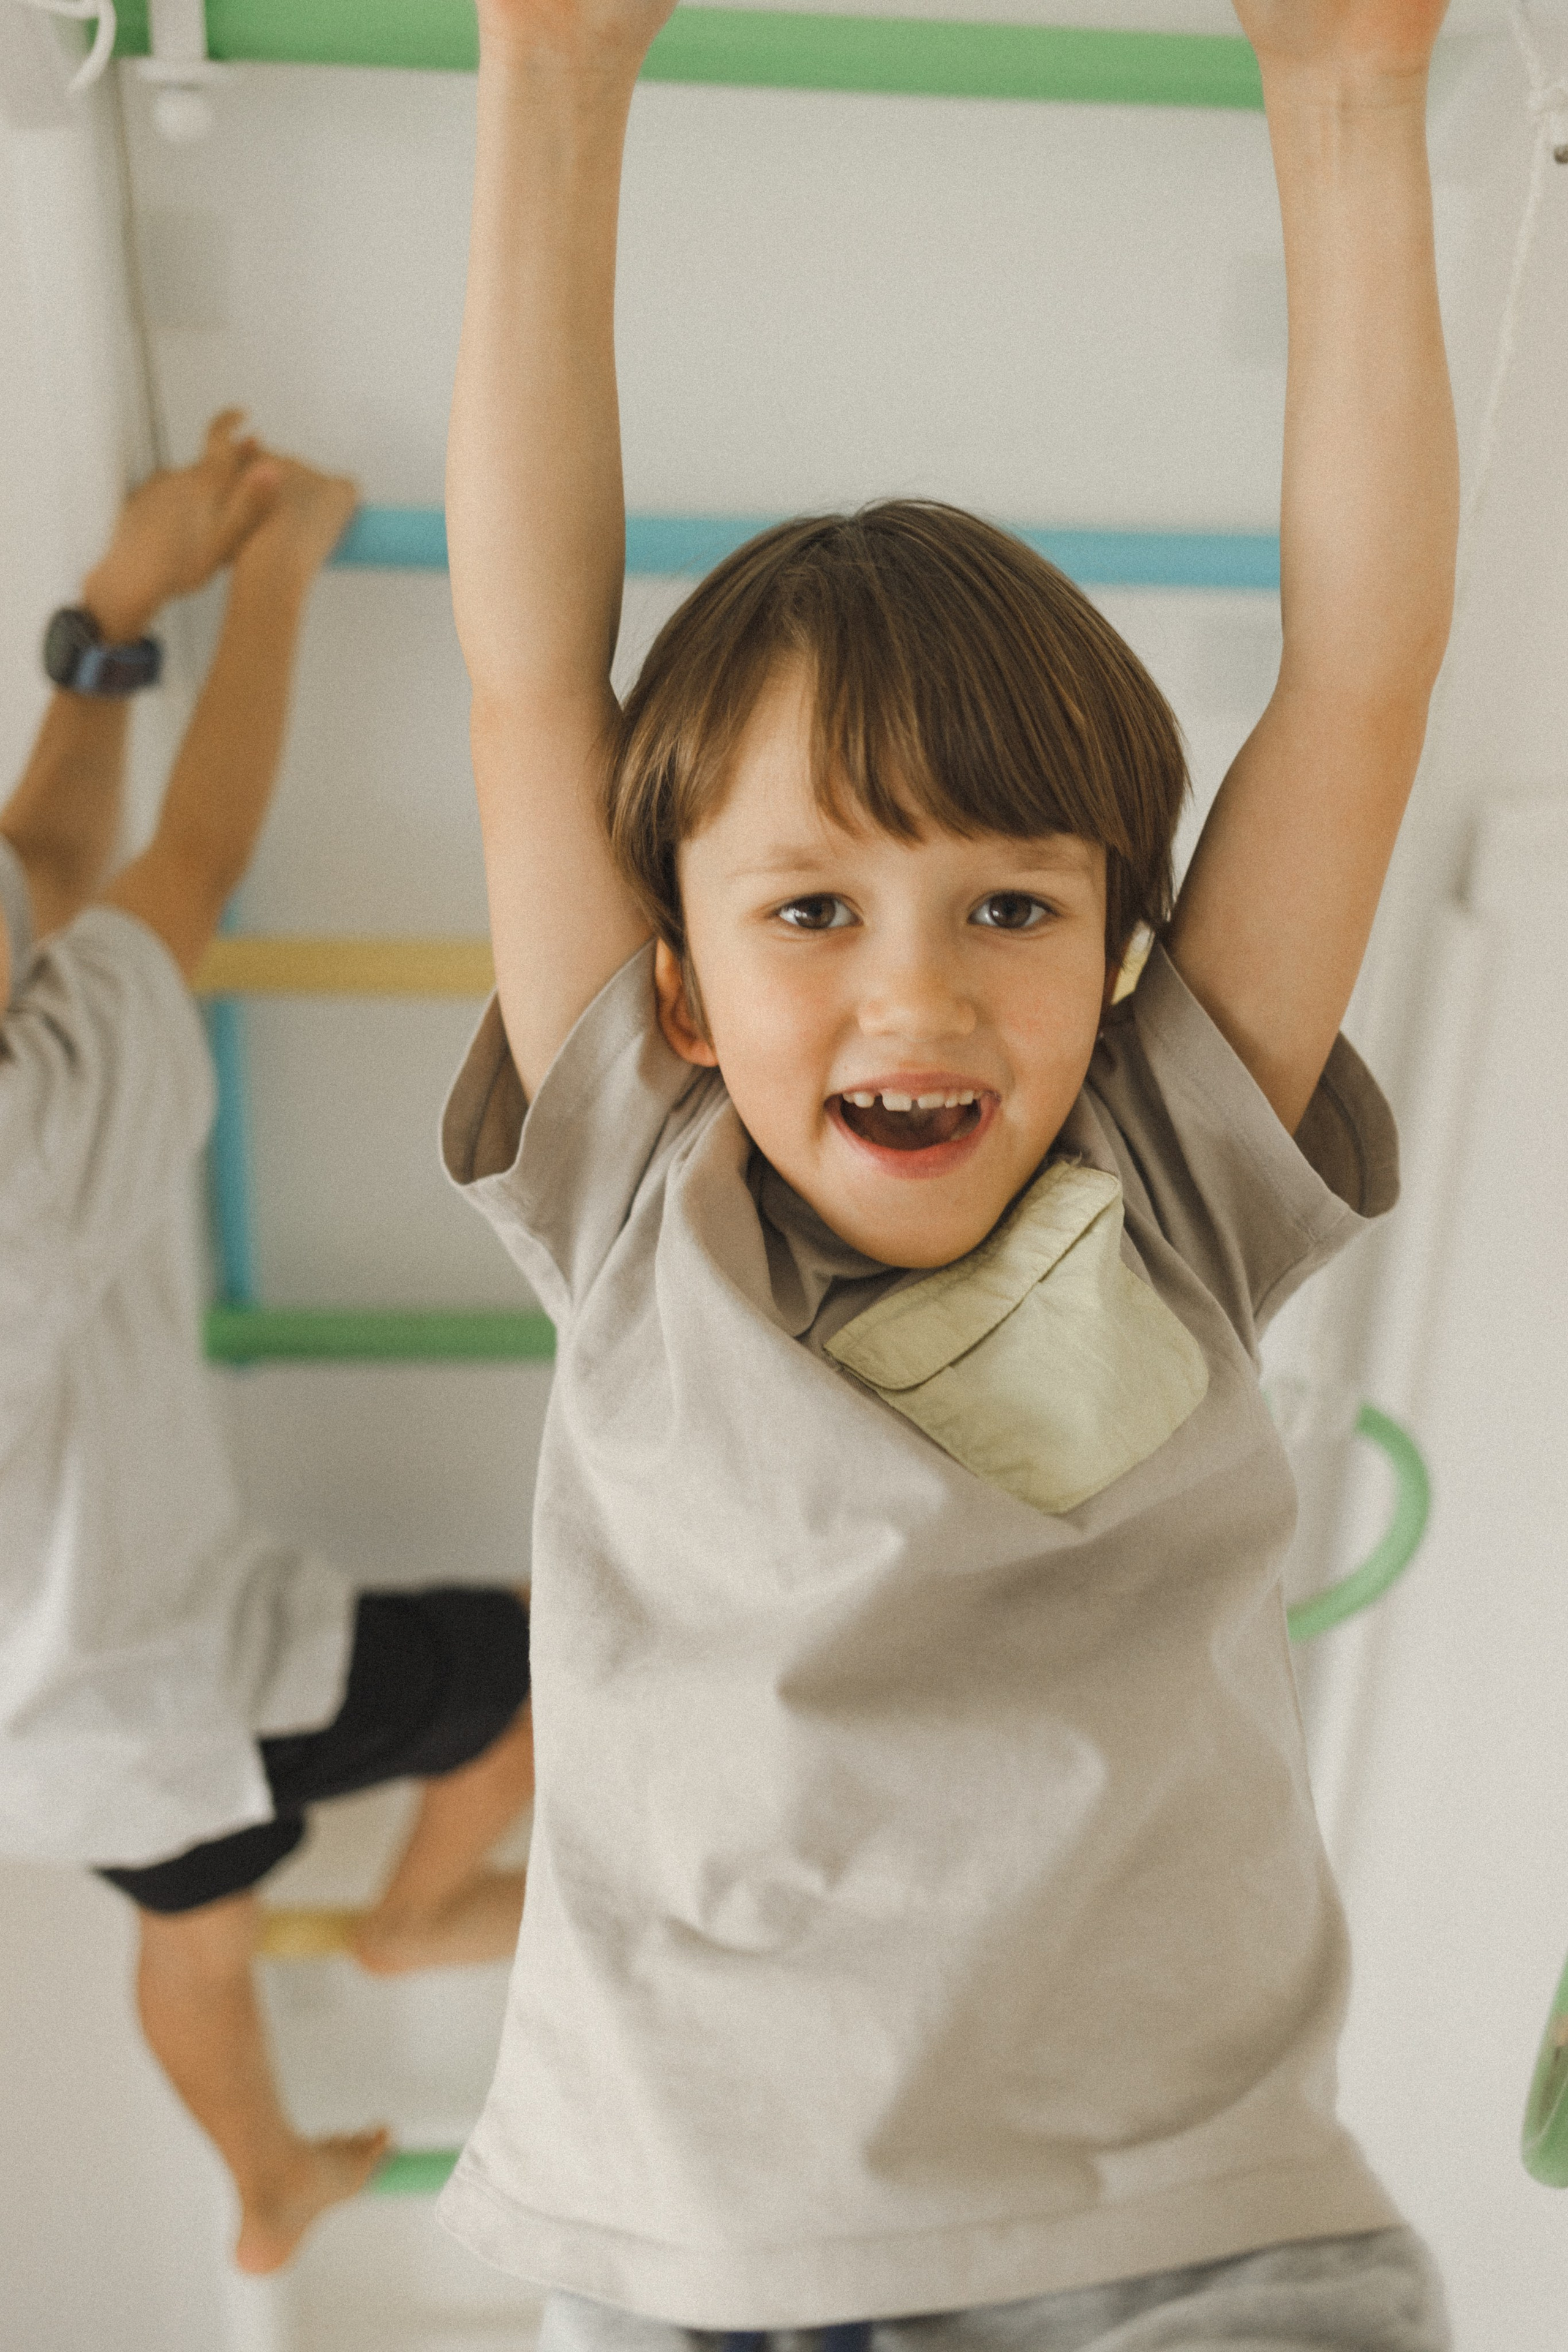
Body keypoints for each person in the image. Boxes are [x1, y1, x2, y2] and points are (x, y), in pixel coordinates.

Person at [435, 1, 1458, 2347]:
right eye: (814, 912)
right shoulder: (638, 1193)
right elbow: (524, 671)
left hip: (1183, 2251)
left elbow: (1368, 676)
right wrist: (550, 79)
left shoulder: (1178, 1173)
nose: (920, 996)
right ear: (680, 989)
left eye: (1013, 905)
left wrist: (1351, 100)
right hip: (705, 2261)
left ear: (1118, 951)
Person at [0, 413, 535, 2275]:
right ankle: (419, 1917)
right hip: (162, 1675)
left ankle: (266, 2179)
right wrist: (277, 574)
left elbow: (39, 869)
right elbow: (181, 863)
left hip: (38, 1707)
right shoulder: (35, 1147)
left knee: (191, 1924)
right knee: (542, 1678)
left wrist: (117, 607)